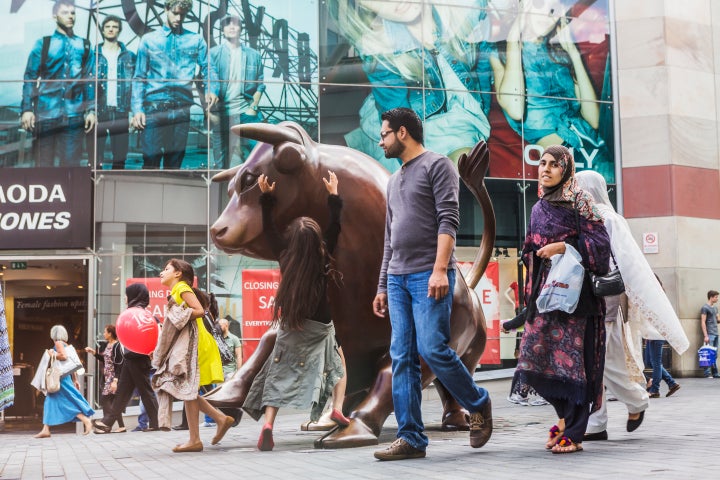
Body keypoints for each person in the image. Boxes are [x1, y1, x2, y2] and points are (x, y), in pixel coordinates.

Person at [371, 107, 493, 461]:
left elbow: (448, 221)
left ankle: (478, 403)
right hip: (397, 279)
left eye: (385, 134)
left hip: (430, 274)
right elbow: (389, 239)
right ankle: (411, 437)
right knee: (402, 358)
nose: (381, 141)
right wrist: (382, 285)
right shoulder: (394, 181)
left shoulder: (438, 165)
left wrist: (441, 269)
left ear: (403, 133)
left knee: (433, 349)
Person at [575, 170, 689, 440]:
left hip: (605, 300)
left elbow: (628, 263)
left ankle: (636, 402)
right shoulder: (579, 218)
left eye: (579, 186)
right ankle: (596, 422)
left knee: (605, 361)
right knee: (590, 364)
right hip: (584, 300)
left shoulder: (610, 218)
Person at [243, 170, 349, 452]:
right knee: (338, 365)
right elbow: (335, 224)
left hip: (292, 323)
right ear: (316, 241)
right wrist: (333, 195)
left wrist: (266, 197)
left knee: (277, 374)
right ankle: (337, 407)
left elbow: (269, 230)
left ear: (291, 240)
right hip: (321, 324)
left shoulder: (284, 253)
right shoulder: (323, 252)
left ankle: (268, 425)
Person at [514, 145, 611, 454]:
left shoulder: (582, 203)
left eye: (554, 164)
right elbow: (530, 249)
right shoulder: (538, 207)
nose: (545, 169)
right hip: (545, 296)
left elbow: (601, 247)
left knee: (576, 367)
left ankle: (576, 432)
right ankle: (563, 418)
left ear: (566, 169)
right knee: (532, 360)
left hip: (578, 299)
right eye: (542, 163)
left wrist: (562, 248)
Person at [327, 0, 493, 172]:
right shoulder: (380, 45)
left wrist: (481, 116)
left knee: (463, 171)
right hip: (409, 130)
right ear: (363, 6)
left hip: (459, 124)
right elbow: (399, 126)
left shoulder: (465, 9)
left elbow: (483, 72)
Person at [489, 0, 611, 176]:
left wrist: (574, 54)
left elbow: (594, 120)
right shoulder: (501, 53)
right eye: (540, 4)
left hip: (592, 146)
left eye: (554, 10)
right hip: (562, 156)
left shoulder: (559, 53)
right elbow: (516, 107)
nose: (547, 15)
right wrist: (514, 39)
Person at [153, 259, 233, 453]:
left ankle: (200, 436)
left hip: (197, 346)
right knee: (188, 391)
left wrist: (178, 313)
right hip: (194, 345)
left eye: (166, 269)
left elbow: (199, 311)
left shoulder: (180, 288)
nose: (161, 273)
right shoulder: (176, 290)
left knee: (186, 389)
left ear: (178, 273)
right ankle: (214, 424)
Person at [131, 0, 218, 169]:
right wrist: (137, 109)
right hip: (154, 109)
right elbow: (139, 77)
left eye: (183, 15)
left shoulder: (195, 40)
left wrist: (211, 89)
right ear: (166, 9)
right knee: (150, 161)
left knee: (175, 164)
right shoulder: (149, 40)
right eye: (175, 13)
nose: (179, 18)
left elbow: (209, 67)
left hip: (181, 109)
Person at [20, 0, 95, 167]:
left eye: (73, 13)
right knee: (43, 165)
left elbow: (89, 81)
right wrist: (26, 109)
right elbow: (30, 77)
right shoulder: (44, 44)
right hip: (46, 114)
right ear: (55, 16)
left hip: (74, 115)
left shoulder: (85, 45)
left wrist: (91, 110)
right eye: (65, 12)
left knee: (71, 166)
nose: (70, 16)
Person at [92, 284, 160, 434]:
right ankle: (108, 423)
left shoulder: (141, 314)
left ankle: (155, 422)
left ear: (134, 296)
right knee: (124, 392)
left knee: (144, 391)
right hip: (131, 357)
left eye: (127, 294)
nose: (124, 298)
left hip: (138, 358)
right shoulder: (134, 313)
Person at [209, 14, 265, 169]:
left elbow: (260, 84)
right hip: (222, 114)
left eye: (235, 24)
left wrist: (253, 108)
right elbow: (204, 84)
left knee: (258, 159)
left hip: (247, 114)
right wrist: (209, 112)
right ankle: (223, 192)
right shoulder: (213, 54)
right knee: (220, 163)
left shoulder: (254, 55)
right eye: (227, 24)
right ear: (222, 30)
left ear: (241, 29)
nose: (232, 27)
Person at [32, 325, 94, 438]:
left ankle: (86, 420)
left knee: (66, 402)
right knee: (50, 401)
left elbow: (64, 357)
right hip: (65, 377)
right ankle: (46, 429)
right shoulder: (67, 345)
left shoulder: (58, 343)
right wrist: (75, 379)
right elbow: (71, 364)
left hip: (60, 379)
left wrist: (52, 354)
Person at [94, 15, 136, 169]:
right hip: (99, 112)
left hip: (121, 112)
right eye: (108, 26)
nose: (111, 29)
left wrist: (133, 112)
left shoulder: (130, 56)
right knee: (95, 157)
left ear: (119, 30)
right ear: (103, 30)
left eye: (115, 26)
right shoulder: (93, 55)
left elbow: (136, 86)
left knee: (119, 157)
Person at [85, 324, 126, 432]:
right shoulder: (108, 344)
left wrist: (116, 380)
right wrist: (93, 352)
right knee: (112, 402)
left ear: (110, 333)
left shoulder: (117, 346)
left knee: (104, 399)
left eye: (105, 332)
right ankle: (120, 426)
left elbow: (119, 364)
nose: (103, 334)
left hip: (113, 377)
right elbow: (105, 359)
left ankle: (105, 423)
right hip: (107, 376)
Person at [700, 290, 720, 378]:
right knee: (708, 353)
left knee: (715, 354)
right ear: (711, 297)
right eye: (716, 297)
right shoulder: (704, 308)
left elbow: (718, 320)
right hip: (709, 334)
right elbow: (703, 322)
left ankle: (715, 373)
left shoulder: (715, 308)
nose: (717, 298)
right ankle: (707, 373)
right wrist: (705, 335)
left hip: (716, 333)